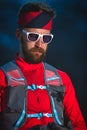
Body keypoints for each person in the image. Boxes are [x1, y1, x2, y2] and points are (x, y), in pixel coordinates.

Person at [0, 2, 86, 130]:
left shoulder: (62, 79)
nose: (39, 44)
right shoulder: (2, 77)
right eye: (33, 36)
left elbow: (79, 125)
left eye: (46, 38)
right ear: (18, 34)